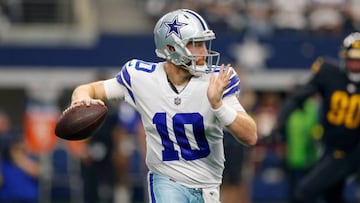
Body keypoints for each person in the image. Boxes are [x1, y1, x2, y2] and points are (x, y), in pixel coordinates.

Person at [68, 8, 257, 203]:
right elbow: (89, 89)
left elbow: (250, 135)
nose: (204, 52)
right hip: (167, 180)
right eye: (196, 45)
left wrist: (218, 105)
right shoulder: (141, 77)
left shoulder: (216, 81)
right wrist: (80, 100)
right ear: (171, 48)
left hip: (208, 186)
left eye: (204, 44)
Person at [271, 32, 360, 203]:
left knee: (305, 192)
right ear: (344, 56)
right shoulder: (329, 72)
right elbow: (297, 97)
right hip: (333, 149)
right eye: (352, 59)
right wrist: (278, 124)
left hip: (355, 149)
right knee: (330, 196)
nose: (356, 65)